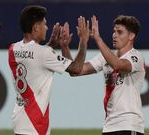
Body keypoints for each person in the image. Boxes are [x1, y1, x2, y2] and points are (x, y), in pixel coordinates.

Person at [8, 5, 90, 135]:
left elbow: (34, 57)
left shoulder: (13, 49)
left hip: (20, 121)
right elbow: (76, 69)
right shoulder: (44, 53)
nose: (46, 28)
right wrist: (84, 40)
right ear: (35, 28)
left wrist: (51, 44)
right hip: (36, 124)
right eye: (44, 24)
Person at [70, 15, 145, 135]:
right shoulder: (105, 57)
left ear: (131, 36)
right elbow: (76, 71)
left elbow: (117, 65)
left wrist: (98, 38)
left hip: (129, 124)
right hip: (109, 126)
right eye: (114, 31)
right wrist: (82, 41)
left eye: (119, 32)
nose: (114, 35)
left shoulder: (136, 57)